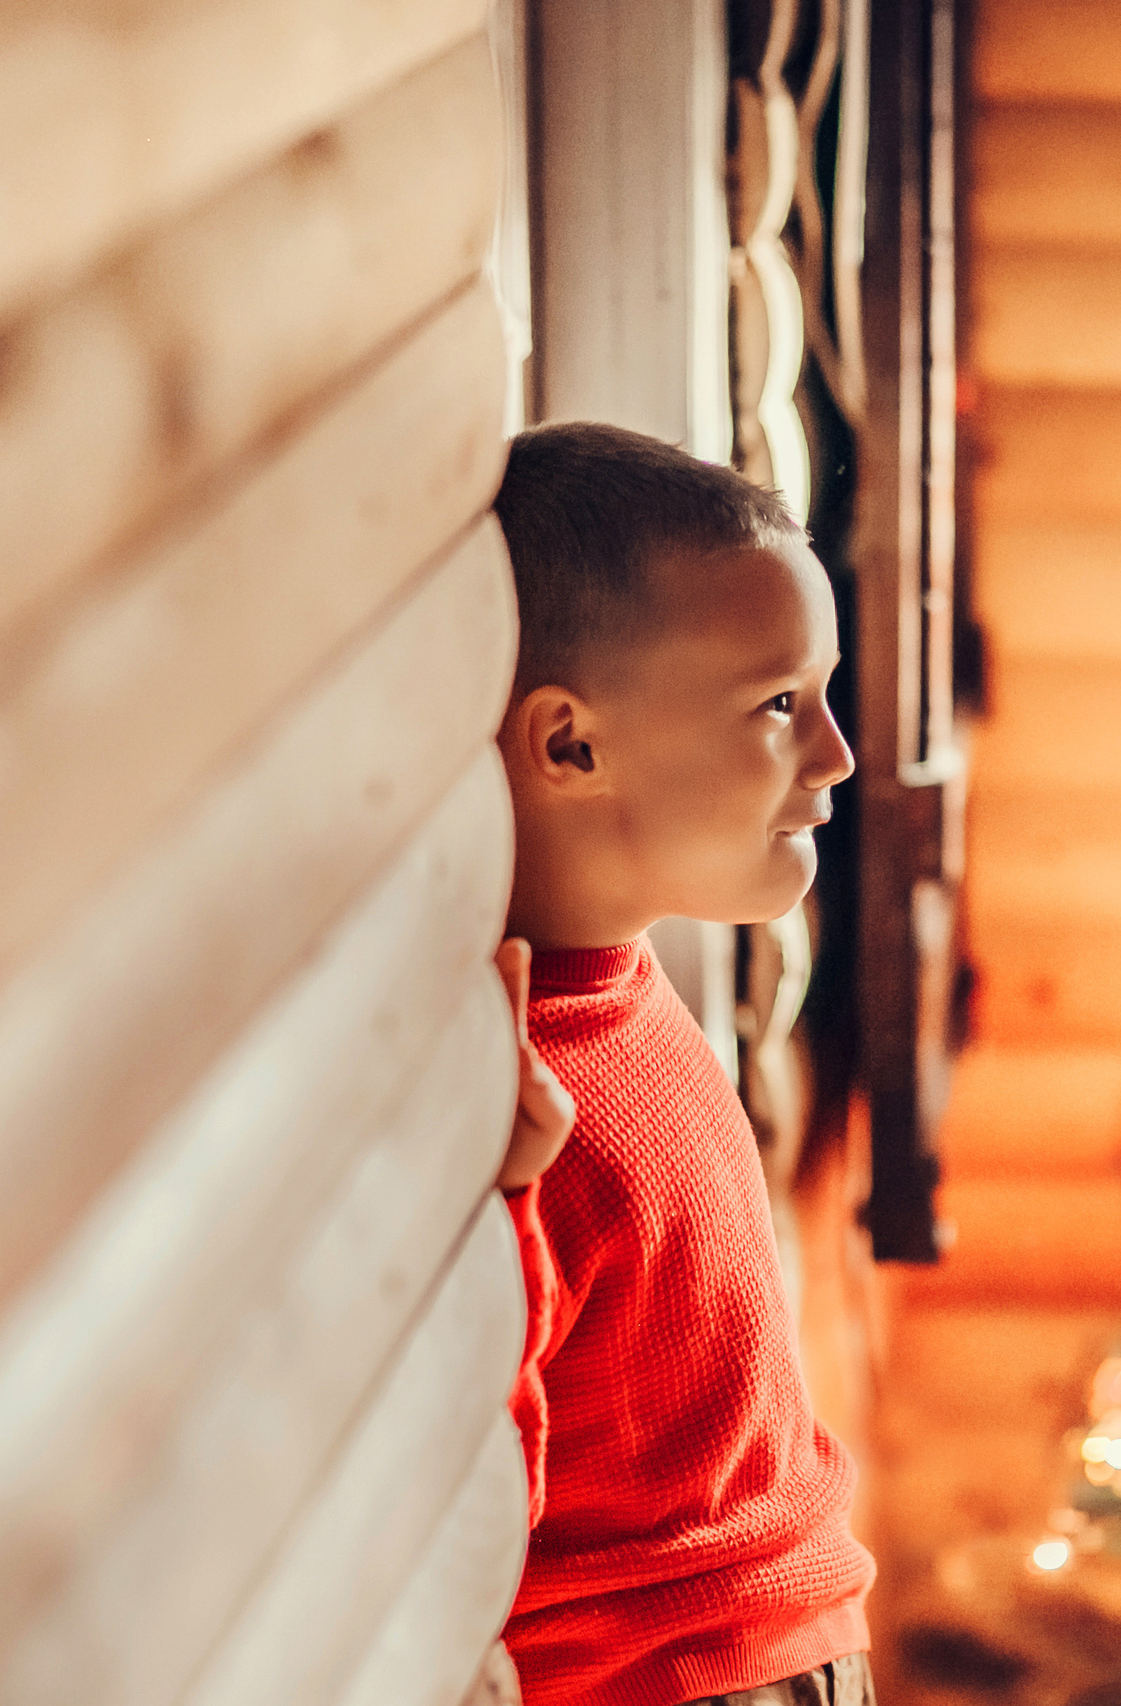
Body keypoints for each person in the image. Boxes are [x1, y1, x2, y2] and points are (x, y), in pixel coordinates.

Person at [488, 421, 874, 1706]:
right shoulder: (512, 1100)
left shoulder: (620, 980)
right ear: (569, 746)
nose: (836, 756)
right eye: (778, 704)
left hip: (798, 1638)